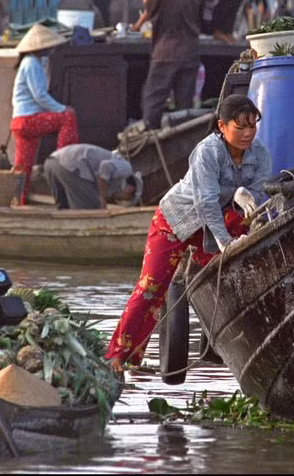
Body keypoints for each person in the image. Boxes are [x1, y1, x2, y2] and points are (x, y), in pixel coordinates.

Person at [104, 94, 271, 376]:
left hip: (217, 221)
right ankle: (119, 356)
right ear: (221, 126)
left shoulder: (260, 154)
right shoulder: (208, 152)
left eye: (252, 126)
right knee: (151, 289)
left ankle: (224, 348)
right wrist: (225, 243)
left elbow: (259, 193)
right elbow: (205, 202)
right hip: (177, 220)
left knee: (231, 276)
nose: (247, 133)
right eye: (240, 126)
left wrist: (246, 197)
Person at [10, 23, 78, 204]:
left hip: (19, 123)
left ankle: (19, 200)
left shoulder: (32, 62)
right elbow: (40, 95)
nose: (51, 50)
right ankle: (64, 159)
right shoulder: (32, 63)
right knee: (67, 117)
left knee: (23, 167)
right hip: (28, 120)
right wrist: (62, 108)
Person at [139, 0, 205, 131]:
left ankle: (150, 139)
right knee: (185, 105)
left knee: (154, 98)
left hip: (165, 52)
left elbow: (150, 13)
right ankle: (181, 142)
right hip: (190, 51)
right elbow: (202, 19)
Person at [43, 143, 142, 210]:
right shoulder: (126, 168)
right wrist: (101, 197)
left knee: (64, 209)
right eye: (124, 199)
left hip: (51, 162)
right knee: (93, 207)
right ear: (129, 190)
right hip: (70, 165)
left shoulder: (112, 182)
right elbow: (105, 166)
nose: (119, 200)